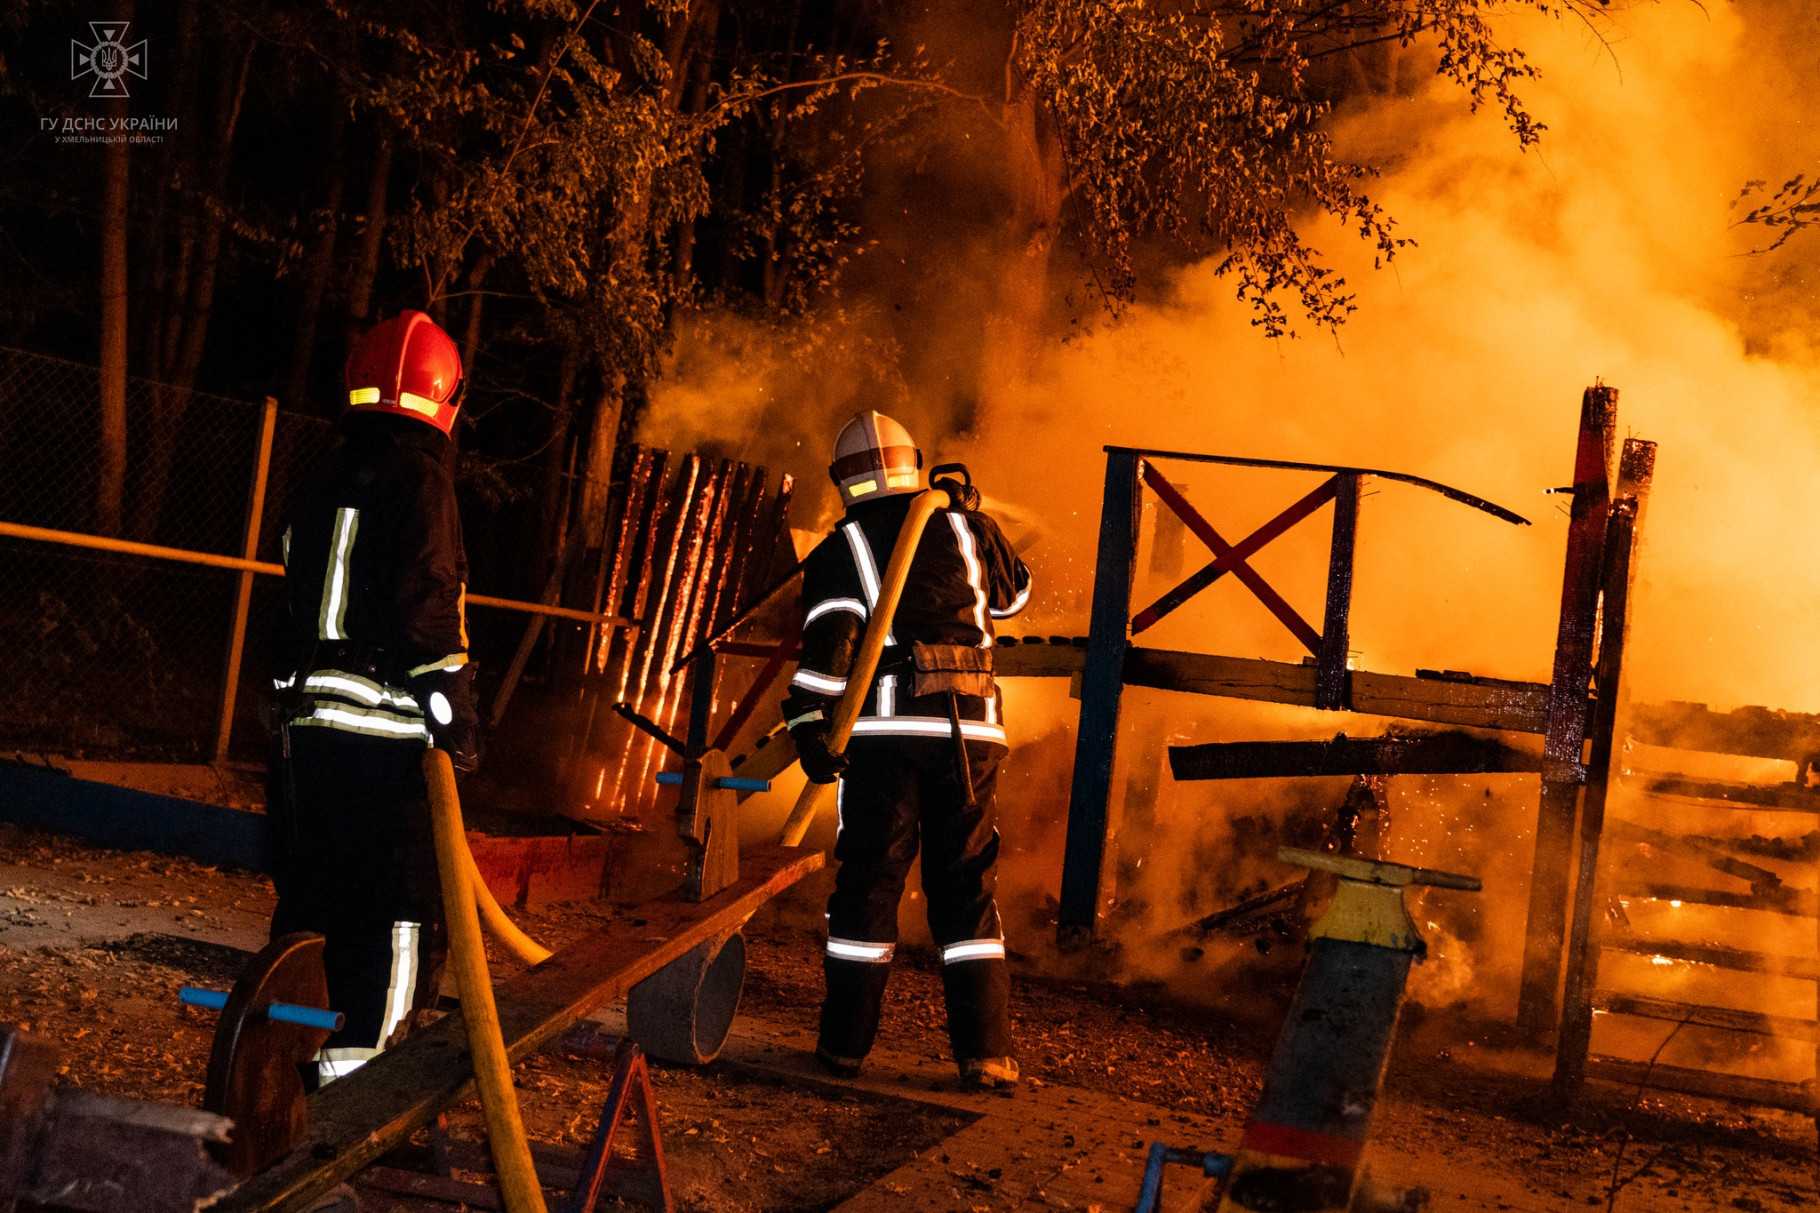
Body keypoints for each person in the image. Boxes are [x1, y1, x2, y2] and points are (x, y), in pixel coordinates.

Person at [782, 410, 1032, 1089]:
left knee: (868, 886)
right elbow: (1015, 596)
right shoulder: (967, 528)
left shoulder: (845, 544)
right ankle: (986, 1054)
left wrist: (809, 722)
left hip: (887, 740)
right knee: (969, 892)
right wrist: (974, 515)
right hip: (973, 739)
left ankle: (843, 1049)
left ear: (844, 480)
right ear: (912, 460)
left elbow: (829, 646)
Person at [267, 309, 480, 1086]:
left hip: (310, 737)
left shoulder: (322, 475)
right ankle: (363, 1089)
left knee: (313, 899)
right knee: (397, 915)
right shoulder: (423, 479)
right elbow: (427, 602)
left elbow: (292, 597)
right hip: (388, 744)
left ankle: (276, 1074)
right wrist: (456, 721)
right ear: (444, 397)